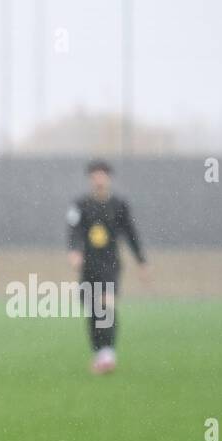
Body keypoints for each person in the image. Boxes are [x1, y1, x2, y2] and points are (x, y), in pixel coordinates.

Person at [67, 159, 148, 374]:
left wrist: (141, 261)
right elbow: (74, 230)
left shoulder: (119, 205)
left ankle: (108, 353)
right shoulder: (80, 205)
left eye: (102, 174)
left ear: (108, 177)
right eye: (95, 174)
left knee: (106, 306)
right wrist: (74, 251)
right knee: (93, 311)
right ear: (90, 178)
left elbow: (131, 234)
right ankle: (99, 352)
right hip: (89, 265)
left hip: (110, 264)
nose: (99, 178)